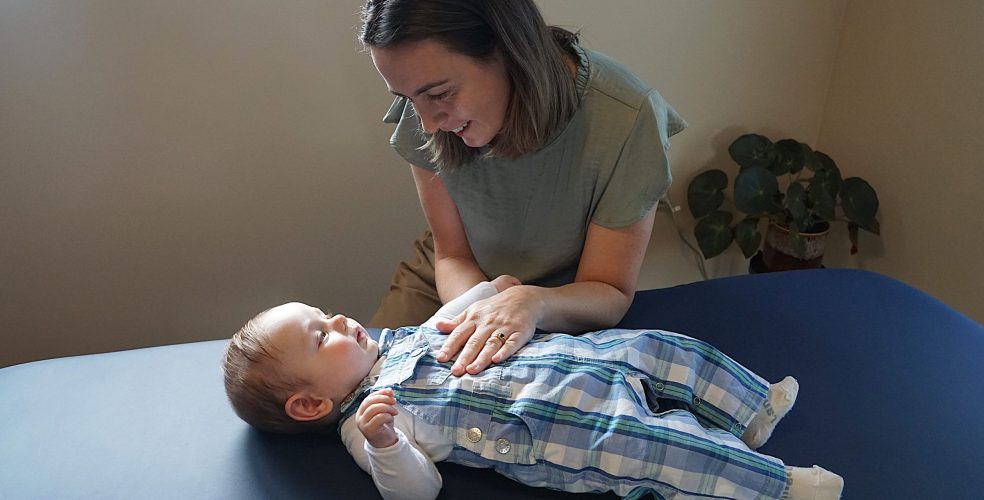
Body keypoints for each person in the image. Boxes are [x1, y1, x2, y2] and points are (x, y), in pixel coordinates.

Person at [223, 278, 844, 500]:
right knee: (664, 448)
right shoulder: (369, 423)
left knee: (662, 347)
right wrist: (388, 443)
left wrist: (495, 291)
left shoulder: (403, 340)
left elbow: (461, 316)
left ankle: (748, 407)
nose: (340, 320)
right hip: (564, 427)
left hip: (582, 356)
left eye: (325, 313)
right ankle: (779, 485)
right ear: (311, 404)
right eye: (321, 335)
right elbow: (418, 489)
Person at [358, 0, 688, 377]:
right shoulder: (425, 96)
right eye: (407, 99)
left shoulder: (626, 117)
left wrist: (529, 304)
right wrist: (481, 311)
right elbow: (451, 255)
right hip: (452, 287)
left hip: (563, 305)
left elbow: (608, 290)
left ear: (508, 50)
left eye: (439, 95)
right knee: (355, 390)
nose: (427, 124)